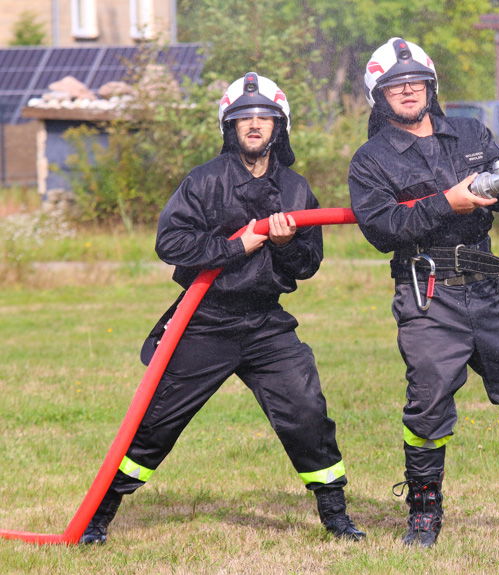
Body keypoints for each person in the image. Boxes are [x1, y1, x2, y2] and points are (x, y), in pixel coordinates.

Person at [79, 73, 364, 544]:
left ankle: (335, 516)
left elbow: (308, 265)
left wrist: (288, 242)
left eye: (264, 118)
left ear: (280, 126)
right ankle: (97, 518)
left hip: (266, 325)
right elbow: (170, 242)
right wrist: (242, 244)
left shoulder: (296, 189)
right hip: (204, 321)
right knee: (156, 421)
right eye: (244, 118)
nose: (254, 125)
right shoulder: (203, 181)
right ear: (229, 127)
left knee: (306, 412)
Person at [348, 38, 499, 547]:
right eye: (396, 85)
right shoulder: (370, 159)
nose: (408, 88)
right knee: (428, 406)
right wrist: (447, 202)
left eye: (416, 80)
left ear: (431, 84)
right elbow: (382, 230)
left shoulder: (469, 132)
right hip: (428, 294)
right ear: (380, 95)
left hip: (488, 288)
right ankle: (424, 516)